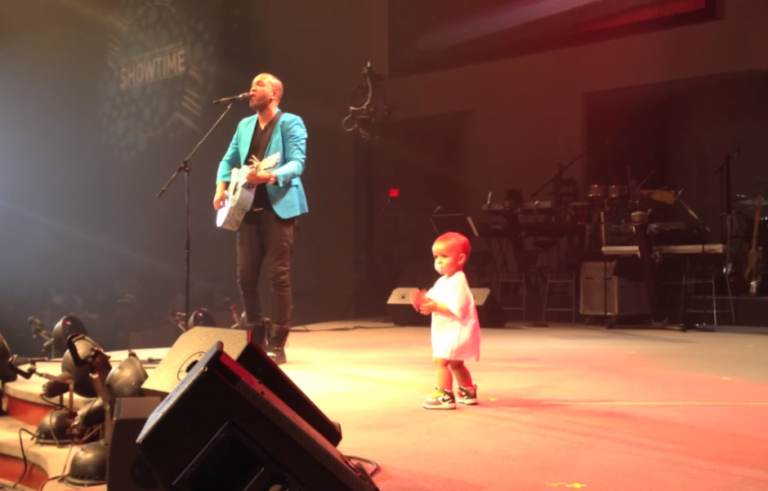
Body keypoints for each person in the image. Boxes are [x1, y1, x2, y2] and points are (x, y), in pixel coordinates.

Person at [213, 73, 308, 365]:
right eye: (251, 84)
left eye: (260, 85)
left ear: (275, 94)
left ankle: (277, 342)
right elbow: (228, 160)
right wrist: (221, 188)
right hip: (247, 210)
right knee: (246, 278)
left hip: (279, 208)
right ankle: (255, 338)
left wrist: (269, 175)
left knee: (277, 275)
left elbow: (297, 163)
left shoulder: (290, 122)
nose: (252, 88)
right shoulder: (244, 125)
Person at [411, 232, 481, 409]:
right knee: (456, 364)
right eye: (436, 257)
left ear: (460, 259)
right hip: (450, 331)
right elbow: (433, 300)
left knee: (440, 361)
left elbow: (457, 307)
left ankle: (445, 395)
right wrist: (423, 301)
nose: (439, 261)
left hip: (456, 331)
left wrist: (434, 307)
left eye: (444, 256)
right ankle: (468, 390)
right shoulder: (444, 280)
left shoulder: (458, 281)